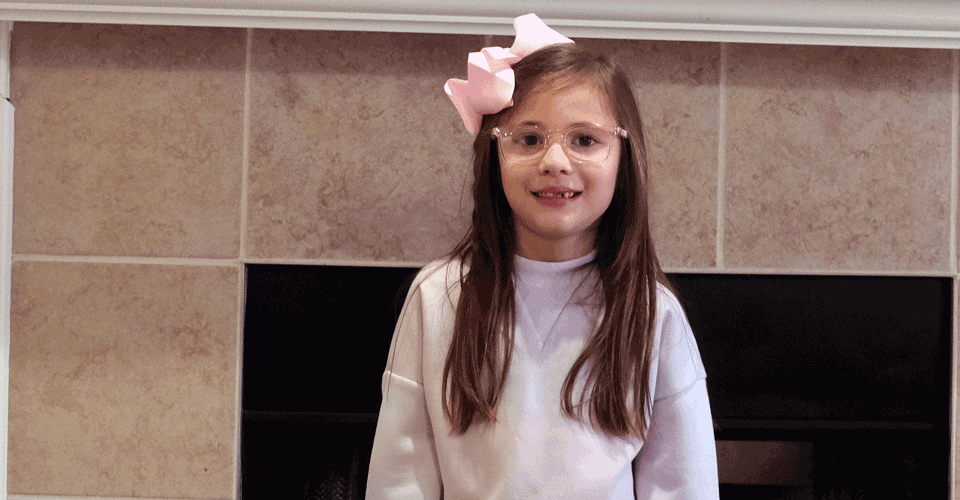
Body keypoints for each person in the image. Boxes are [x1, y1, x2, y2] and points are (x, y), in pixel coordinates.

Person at [366, 13, 718, 500]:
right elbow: (399, 482)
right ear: (494, 154)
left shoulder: (652, 314)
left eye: (585, 140)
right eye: (529, 139)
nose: (555, 161)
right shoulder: (438, 299)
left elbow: (685, 487)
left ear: (624, 155)